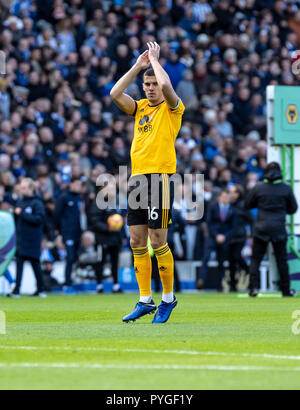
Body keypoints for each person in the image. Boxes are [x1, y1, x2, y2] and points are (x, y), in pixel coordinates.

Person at [110, 42, 185, 323]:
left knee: (158, 240)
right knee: (136, 240)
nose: (151, 87)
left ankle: (168, 298)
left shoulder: (172, 109)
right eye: (147, 84)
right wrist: (138, 67)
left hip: (160, 179)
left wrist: (154, 60)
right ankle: (145, 300)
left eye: (154, 83)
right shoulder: (139, 107)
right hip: (137, 180)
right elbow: (115, 93)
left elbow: (167, 86)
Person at [245, 162, 298, 297]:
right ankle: (285, 291)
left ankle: (253, 288)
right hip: (279, 228)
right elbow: (293, 209)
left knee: (256, 259)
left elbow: (247, 204)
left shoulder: (258, 188)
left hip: (261, 227)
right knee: (282, 260)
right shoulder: (286, 188)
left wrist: (261, 203)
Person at [8, 178, 46, 298]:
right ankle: (17, 290)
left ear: (31, 189)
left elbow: (39, 219)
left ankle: (41, 289)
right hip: (20, 239)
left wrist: (22, 214)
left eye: (24, 188)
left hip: (33, 239)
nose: (21, 190)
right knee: (19, 265)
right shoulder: (20, 202)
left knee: (35, 265)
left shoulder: (37, 203)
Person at [87, 184, 124, 294]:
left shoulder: (115, 203)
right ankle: (99, 285)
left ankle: (116, 285)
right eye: (110, 189)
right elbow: (94, 221)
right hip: (102, 239)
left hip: (115, 239)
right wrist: (108, 228)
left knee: (115, 262)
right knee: (100, 261)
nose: (113, 191)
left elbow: (121, 220)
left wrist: (122, 236)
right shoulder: (98, 203)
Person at [199, 189, 237, 292]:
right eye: (224, 196)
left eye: (227, 197)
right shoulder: (213, 207)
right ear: (220, 197)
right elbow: (209, 222)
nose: (225, 198)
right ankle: (201, 280)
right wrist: (216, 235)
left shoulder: (233, 210)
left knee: (221, 262)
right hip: (212, 237)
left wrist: (225, 236)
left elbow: (233, 227)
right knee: (206, 258)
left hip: (224, 239)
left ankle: (220, 285)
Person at [54, 176, 83, 288]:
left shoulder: (78, 198)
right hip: (67, 233)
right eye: (77, 184)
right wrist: (58, 231)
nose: (79, 187)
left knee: (75, 257)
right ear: (70, 184)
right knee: (70, 257)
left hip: (77, 232)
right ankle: (67, 283)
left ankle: (71, 280)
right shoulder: (63, 198)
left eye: (80, 185)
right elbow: (57, 215)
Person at [228, 184, 253, 292]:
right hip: (229, 236)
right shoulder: (229, 205)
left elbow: (251, 220)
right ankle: (233, 286)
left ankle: (248, 270)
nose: (230, 194)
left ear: (238, 194)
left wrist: (252, 235)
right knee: (231, 261)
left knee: (237, 256)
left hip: (239, 236)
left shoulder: (243, 205)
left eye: (233, 192)